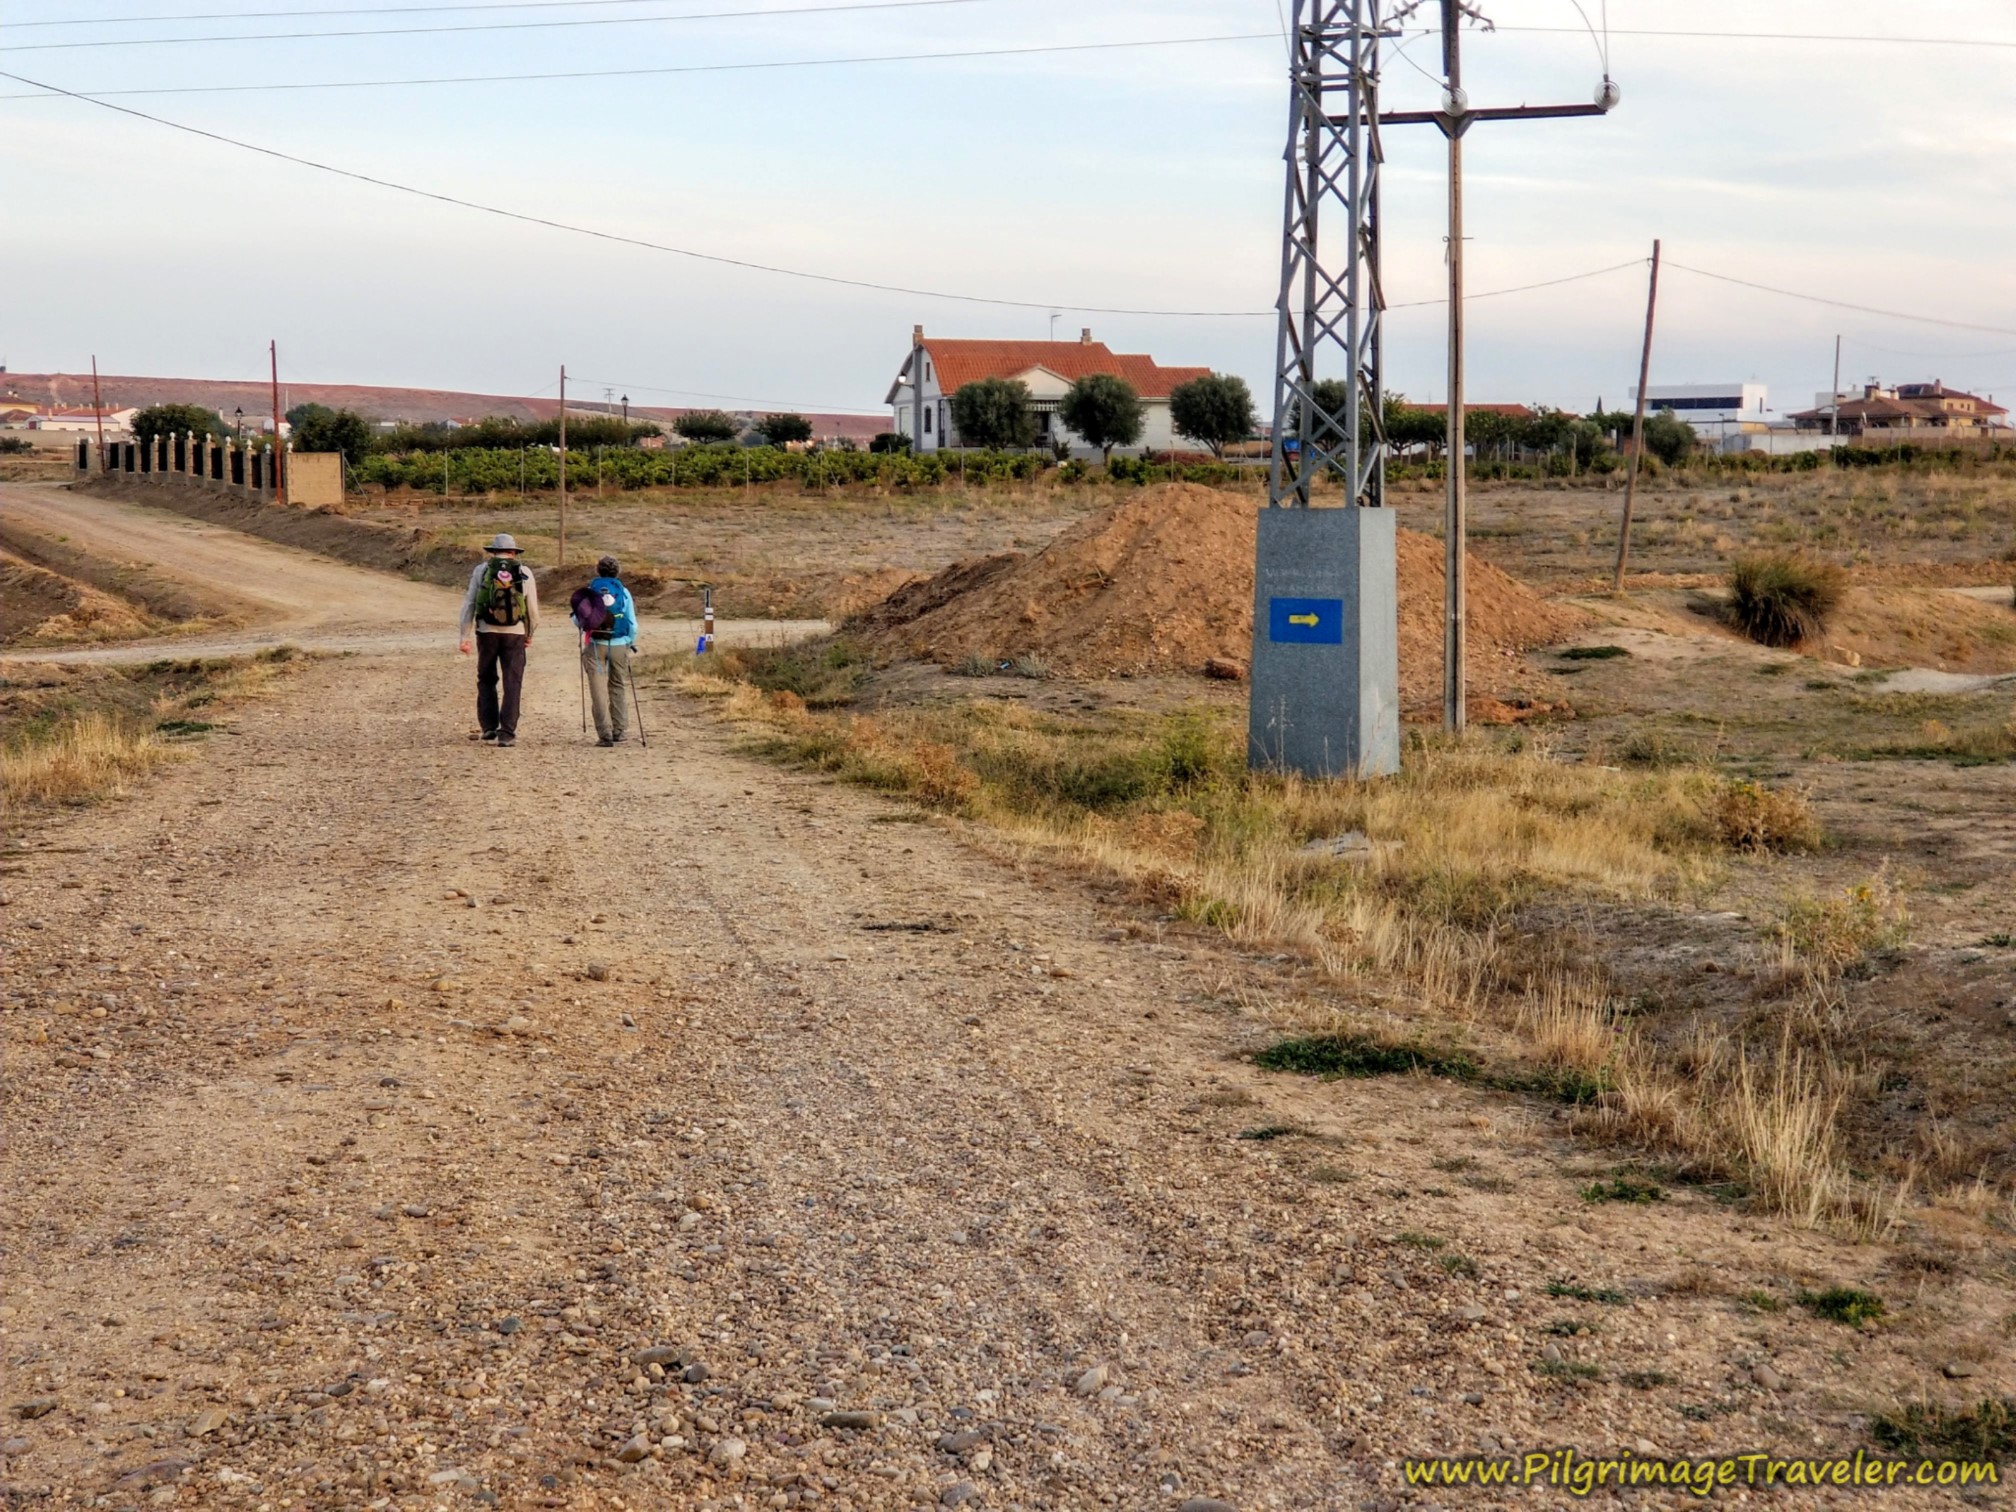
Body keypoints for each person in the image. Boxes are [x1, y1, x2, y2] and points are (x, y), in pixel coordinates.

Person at [458, 533, 539, 747]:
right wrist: (529, 634)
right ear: (514, 552)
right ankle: (507, 733)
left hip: (486, 632)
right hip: (515, 633)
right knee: (513, 682)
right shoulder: (524, 572)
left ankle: (488, 727)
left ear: (493, 552)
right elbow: (532, 610)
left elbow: (470, 603)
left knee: (486, 678)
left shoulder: (482, 570)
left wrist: (464, 636)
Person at [571, 555, 638, 747]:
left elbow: (577, 620)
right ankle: (620, 730)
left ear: (598, 571)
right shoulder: (623, 592)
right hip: (619, 644)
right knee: (617, 685)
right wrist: (629, 641)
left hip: (595, 644)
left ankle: (604, 733)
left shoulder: (591, 591)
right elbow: (632, 623)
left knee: (597, 689)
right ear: (617, 572)